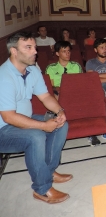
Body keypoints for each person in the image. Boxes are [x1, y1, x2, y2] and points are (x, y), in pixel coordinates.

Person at [0, 32, 71, 204]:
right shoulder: (4, 76)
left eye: (35, 47)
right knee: (36, 135)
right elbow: (9, 117)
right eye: (28, 48)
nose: (35, 52)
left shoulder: (32, 70)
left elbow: (45, 96)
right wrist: (42, 126)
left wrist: (59, 111)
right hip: (4, 130)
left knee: (62, 124)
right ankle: (42, 189)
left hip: (24, 118)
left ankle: (48, 170)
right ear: (14, 51)